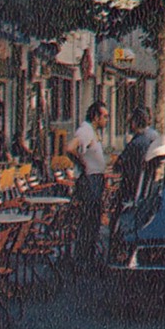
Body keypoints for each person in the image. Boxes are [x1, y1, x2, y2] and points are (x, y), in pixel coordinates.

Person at [64, 101, 109, 269]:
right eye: (104, 116)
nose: (107, 120)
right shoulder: (86, 131)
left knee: (93, 223)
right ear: (95, 117)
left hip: (96, 181)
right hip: (89, 182)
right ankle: (82, 260)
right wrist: (82, 164)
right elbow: (70, 148)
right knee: (88, 223)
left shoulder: (94, 133)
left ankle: (88, 258)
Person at [113, 105, 160, 209]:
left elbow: (118, 165)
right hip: (147, 187)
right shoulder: (152, 138)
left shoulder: (135, 143)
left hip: (131, 188)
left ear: (134, 123)